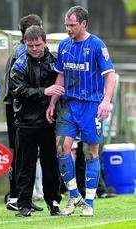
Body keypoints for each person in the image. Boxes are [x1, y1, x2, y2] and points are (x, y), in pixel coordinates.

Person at [46, 6, 116, 217]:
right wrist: (52, 102)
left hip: (91, 106)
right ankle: (74, 195)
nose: (68, 29)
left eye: (72, 25)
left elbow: (110, 75)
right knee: (61, 148)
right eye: (66, 25)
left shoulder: (96, 45)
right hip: (69, 105)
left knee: (89, 153)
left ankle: (89, 202)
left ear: (83, 23)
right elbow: (60, 76)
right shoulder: (65, 46)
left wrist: (105, 101)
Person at [10, 25, 64, 217]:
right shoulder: (19, 64)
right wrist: (45, 91)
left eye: (37, 44)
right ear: (25, 44)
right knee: (25, 165)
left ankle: (54, 203)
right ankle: (24, 204)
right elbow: (18, 91)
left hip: (50, 120)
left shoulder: (55, 61)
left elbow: (64, 83)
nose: (34, 48)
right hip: (26, 121)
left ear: (45, 42)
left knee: (51, 164)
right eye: (30, 45)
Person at [4, 14, 43, 212]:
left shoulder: (20, 50)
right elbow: (19, 88)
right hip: (18, 108)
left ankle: (19, 196)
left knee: (22, 153)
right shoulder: (23, 53)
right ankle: (15, 196)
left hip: (16, 107)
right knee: (21, 153)